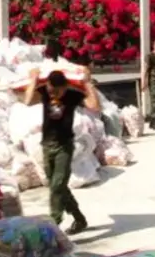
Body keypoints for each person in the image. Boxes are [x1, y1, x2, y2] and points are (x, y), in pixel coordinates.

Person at [24, 67, 99, 234]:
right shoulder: (44, 92)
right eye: (51, 90)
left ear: (64, 87)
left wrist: (87, 83)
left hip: (64, 146)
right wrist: (34, 80)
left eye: (56, 91)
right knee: (56, 186)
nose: (53, 94)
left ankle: (54, 224)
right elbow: (28, 101)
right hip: (46, 145)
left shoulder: (72, 95)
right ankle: (79, 219)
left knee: (58, 185)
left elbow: (94, 106)